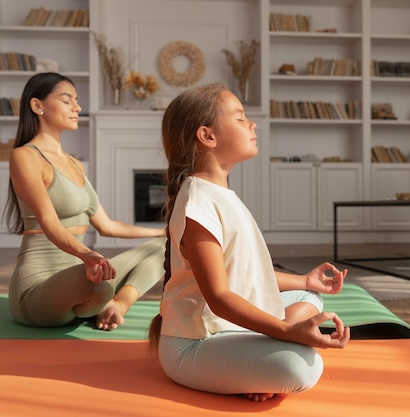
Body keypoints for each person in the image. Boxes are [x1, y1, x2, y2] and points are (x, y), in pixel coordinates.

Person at [149, 83, 350, 402]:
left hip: (231, 328)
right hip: (194, 344)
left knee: (308, 296)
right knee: (301, 367)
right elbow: (218, 296)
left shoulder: (221, 195)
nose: (252, 124)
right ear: (207, 136)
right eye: (240, 118)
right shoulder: (197, 199)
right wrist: (285, 331)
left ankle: (253, 359)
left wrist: (303, 280)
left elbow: (244, 275)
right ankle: (260, 358)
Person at [4, 72, 165, 331]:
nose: (77, 108)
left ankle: (118, 305)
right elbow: (49, 222)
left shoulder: (75, 164)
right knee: (99, 283)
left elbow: (107, 226)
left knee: (165, 247)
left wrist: (165, 231)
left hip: (81, 273)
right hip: (38, 289)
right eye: (67, 101)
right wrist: (87, 254)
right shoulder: (25, 156)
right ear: (38, 106)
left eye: (77, 101)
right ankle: (100, 299)